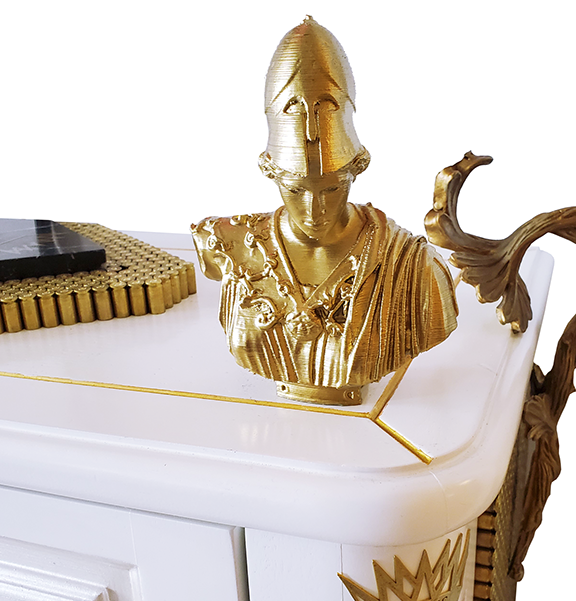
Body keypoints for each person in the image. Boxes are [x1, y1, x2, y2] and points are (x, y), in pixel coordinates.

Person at [191, 17, 458, 405]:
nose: (314, 209)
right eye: (295, 189)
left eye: (332, 188)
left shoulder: (414, 268)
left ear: (356, 169)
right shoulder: (226, 244)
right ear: (270, 172)